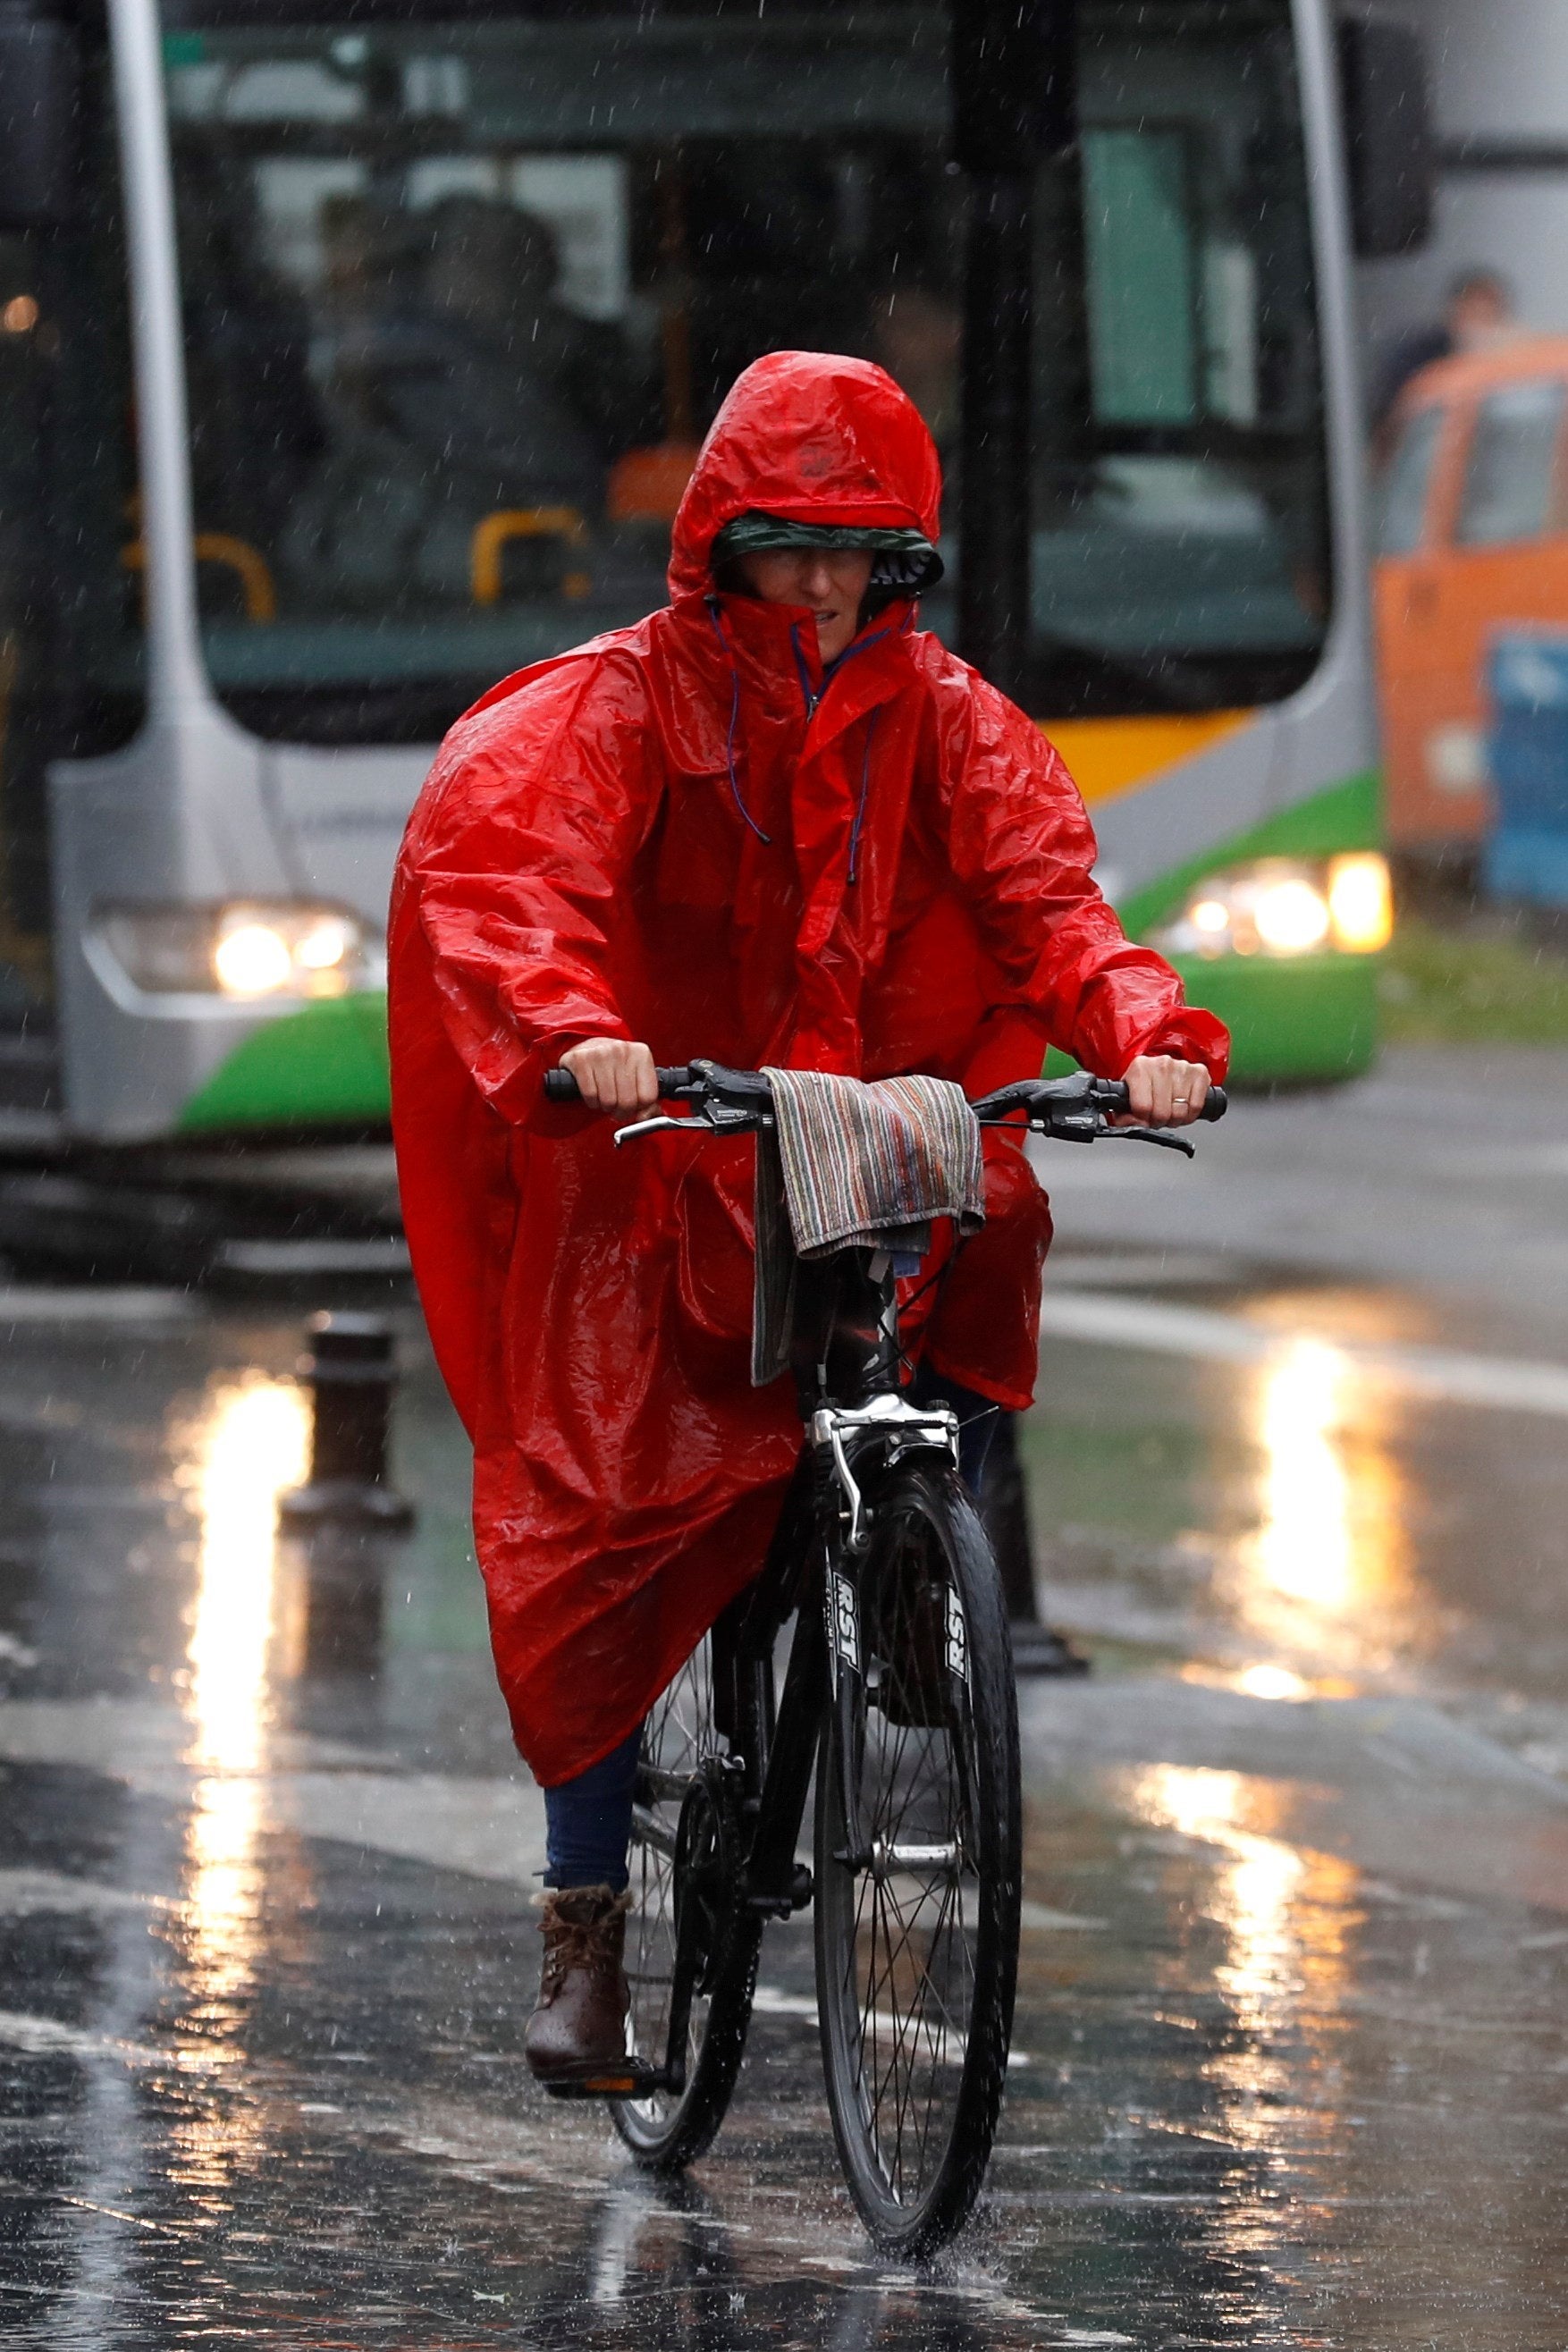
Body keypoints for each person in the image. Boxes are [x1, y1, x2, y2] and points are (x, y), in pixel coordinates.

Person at [389, 350, 1228, 2085]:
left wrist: (1145, 1034)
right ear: (721, 546)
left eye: (869, 557)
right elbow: (506, 876)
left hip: (865, 1132)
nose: (834, 589)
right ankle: (581, 1923)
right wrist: (572, 1040)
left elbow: (1050, 902)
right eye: (796, 550)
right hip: (663, 1155)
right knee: (604, 1518)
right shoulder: (610, 709)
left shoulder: (951, 716)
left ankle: (918, 1549)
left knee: (979, 1222)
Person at [1371, 267, 1518, 450]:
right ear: (1455, 312)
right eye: (1475, 315)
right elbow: (1390, 424)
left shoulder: (1516, 362)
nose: (1481, 330)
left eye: (1490, 318)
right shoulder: (1418, 355)